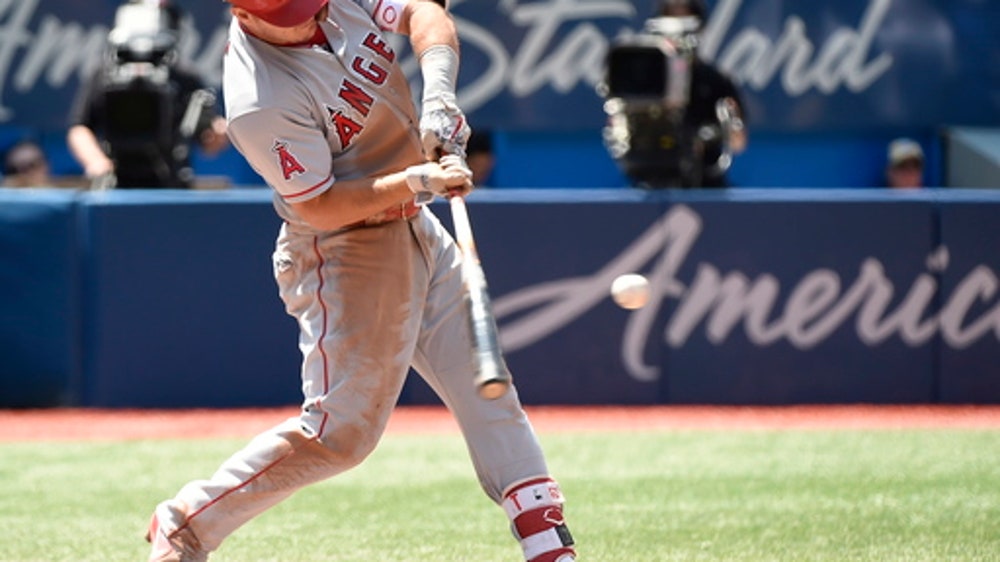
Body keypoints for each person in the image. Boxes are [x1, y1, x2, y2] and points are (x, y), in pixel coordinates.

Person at [143, 1, 577, 562]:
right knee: (339, 435)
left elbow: (424, 11)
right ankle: (187, 522)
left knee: (485, 388)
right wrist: (416, 179)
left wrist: (439, 96)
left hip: (415, 225)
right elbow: (321, 206)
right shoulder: (258, 98)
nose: (308, 15)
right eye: (289, 13)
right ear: (246, 15)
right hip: (345, 249)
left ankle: (547, 545)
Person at [66, 0, 228, 189]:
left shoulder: (184, 77)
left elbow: (209, 142)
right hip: (115, 183)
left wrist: (217, 134)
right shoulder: (104, 74)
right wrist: (96, 162)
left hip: (171, 183)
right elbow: (79, 128)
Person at [602, 0, 747, 188]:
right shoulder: (641, 75)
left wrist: (714, 134)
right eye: (670, 19)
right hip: (648, 185)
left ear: (700, 29)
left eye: (685, 25)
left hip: (706, 186)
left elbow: (738, 142)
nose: (676, 36)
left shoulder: (715, 80)